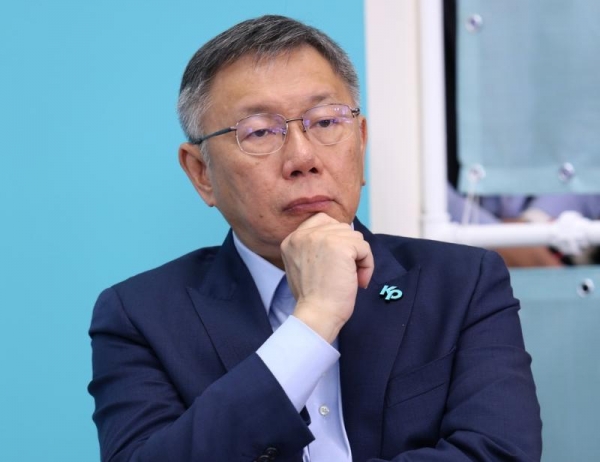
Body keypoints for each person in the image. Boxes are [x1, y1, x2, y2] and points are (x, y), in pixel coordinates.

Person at [88, 15, 542, 462]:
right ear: (201, 173)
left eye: (325, 122)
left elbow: (500, 453)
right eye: (259, 132)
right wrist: (313, 322)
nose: (303, 157)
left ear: (359, 141)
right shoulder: (140, 315)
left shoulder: (463, 283)